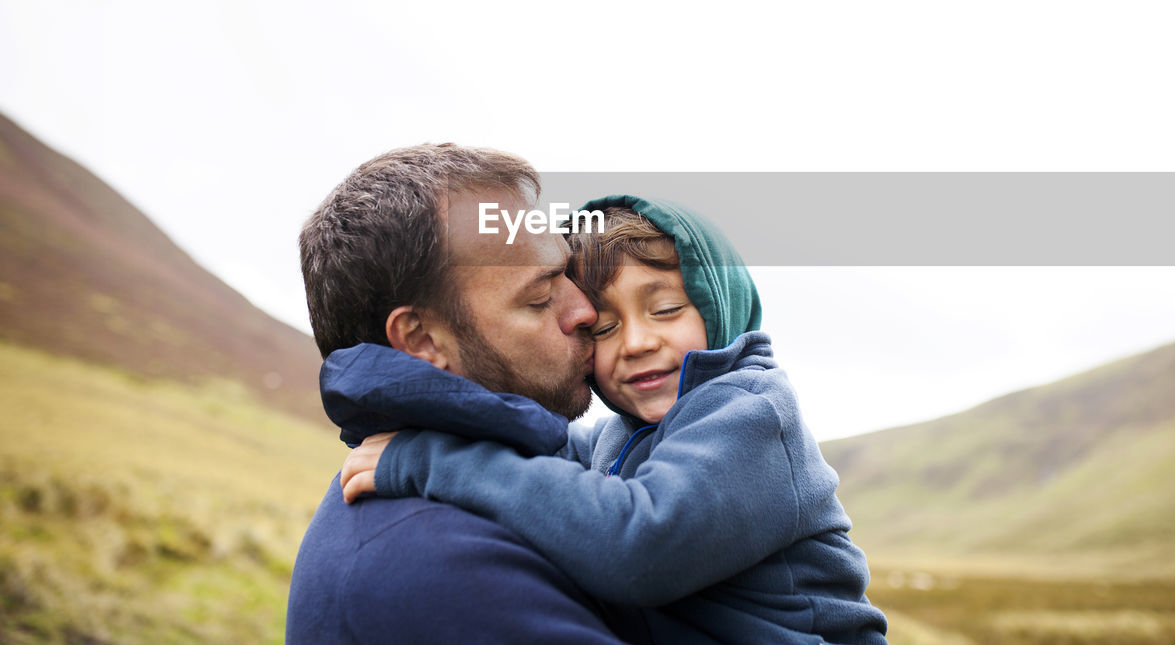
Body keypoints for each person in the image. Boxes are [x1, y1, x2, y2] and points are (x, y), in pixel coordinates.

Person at [341, 196, 891, 644]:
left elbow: (639, 547)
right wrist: (410, 408)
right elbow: (536, 449)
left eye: (667, 309)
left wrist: (427, 461)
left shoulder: (749, 412)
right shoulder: (621, 436)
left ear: (720, 303)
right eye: (602, 329)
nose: (637, 342)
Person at [285, 144, 640, 644]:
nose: (585, 310)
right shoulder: (437, 567)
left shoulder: (523, 487)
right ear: (423, 340)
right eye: (539, 298)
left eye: (568, 275)